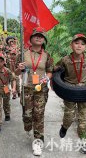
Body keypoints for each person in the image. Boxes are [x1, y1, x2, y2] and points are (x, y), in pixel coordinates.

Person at [54, 34, 86, 154]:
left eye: (82, 43)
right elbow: (55, 68)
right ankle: (64, 127)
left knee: (82, 121)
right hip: (69, 91)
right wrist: (54, 78)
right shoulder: (65, 60)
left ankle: (83, 143)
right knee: (69, 117)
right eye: (76, 42)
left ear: (85, 47)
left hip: (85, 92)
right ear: (71, 45)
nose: (79, 45)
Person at [15, 27, 54, 156]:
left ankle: (38, 142)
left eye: (41, 36)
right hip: (27, 88)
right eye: (36, 35)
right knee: (27, 116)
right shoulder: (22, 54)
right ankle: (27, 125)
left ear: (44, 40)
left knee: (39, 116)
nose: (38, 37)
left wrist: (46, 79)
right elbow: (14, 73)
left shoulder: (47, 55)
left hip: (41, 90)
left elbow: (50, 72)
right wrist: (19, 69)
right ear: (31, 39)